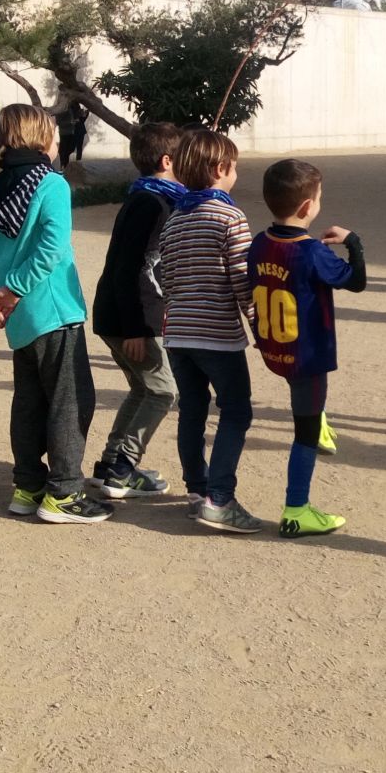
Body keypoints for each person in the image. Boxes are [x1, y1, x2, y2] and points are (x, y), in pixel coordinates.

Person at [0, 104, 113, 526]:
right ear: (39, 140)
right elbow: (51, 247)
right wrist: (15, 289)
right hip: (53, 311)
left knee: (30, 403)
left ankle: (28, 486)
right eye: (54, 134)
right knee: (71, 402)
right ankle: (65, 492)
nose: (59, 141)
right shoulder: (51, 184)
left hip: (18, 319)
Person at [248, 159, 367, 538]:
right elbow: (356, 282)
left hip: (275, 349)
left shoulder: (259, 242)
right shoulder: (312, 252)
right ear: (306, 207)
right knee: (305, 433)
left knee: (306, 403)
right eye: (319, 197)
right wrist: (353, 242)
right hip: (307, 356)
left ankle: (320, 420)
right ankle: (296, 510)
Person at [157, 128, 264, 533]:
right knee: (236, 410)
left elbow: (165, 278)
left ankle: (197, 490)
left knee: (193, 410)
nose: (235, 174)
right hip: (215, 334)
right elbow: (242, 280)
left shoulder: (174, 219)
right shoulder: (230, 217)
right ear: (221, 169)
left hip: (177, 333)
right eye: (234, 167)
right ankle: (219, 498)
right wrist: (258, 324)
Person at [88, 122, 183, 502]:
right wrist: (136, 328)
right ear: (167, 161)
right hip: (132, 318)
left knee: (143, 388)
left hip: (120, 314)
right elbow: (130, 268)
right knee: (163, 391)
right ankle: (123, 469)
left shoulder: (150, 197)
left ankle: (110, 463)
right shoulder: (150, 203)